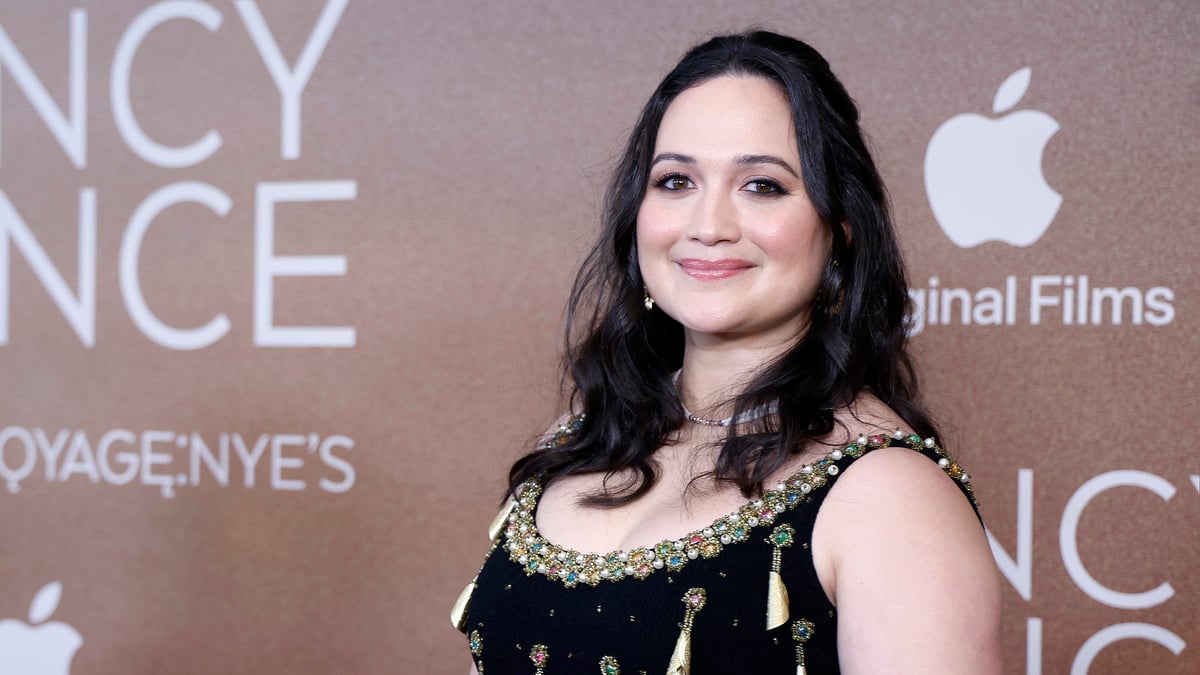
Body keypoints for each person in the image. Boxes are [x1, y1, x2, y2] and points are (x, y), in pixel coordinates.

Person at [453, 30, 1001, 674]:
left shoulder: (889, 497)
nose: (708, 225)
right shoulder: (580, 438)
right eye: (676, 180)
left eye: (763, 185)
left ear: (840, 231)